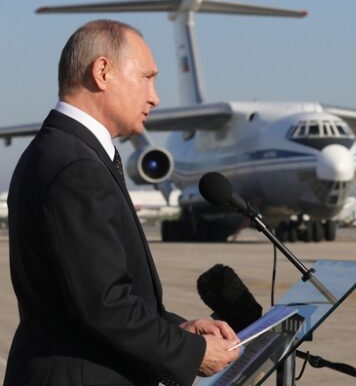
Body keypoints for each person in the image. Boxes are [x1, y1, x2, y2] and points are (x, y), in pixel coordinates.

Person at [4, 20, 240, 386]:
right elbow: (105, 305)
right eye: (147, 77)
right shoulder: (75, 167)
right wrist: (191, 353)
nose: (155, 97)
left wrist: (179, 329)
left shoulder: (63, 151)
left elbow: (92, 296)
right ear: (102, 72)